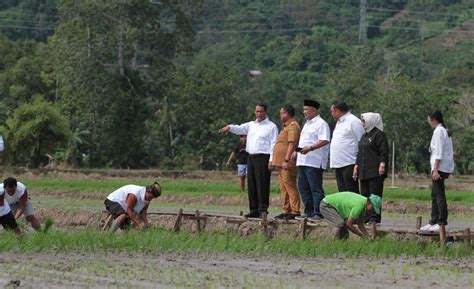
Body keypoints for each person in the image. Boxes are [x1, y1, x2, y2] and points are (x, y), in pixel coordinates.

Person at [219, 102, 278, 218]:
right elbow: (239, 128)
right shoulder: (251, 125)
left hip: (263, 157)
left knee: (262, 184)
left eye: (261, 111)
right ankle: (254, 209)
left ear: (265, 112)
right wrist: (229, 127)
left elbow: (274, 144)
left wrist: (272, 160)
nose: (259, 114)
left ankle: (262, 209)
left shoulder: (271, 126)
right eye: (257, 111)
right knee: (252, 184)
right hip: (251, 157)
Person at [294, 99, 330, 221]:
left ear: (314, 110)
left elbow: (324, 140)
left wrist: (311, 148)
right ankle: (308, 211)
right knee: (303, 187)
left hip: (314, 161)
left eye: (306, 109)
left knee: (315, 188)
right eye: (304, 109)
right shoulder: (307, 124)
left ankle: (319, 212)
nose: (304, 112)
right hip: (303, 160)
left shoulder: (321, 123)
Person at [420, 110, 454, 232]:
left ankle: (442, 222)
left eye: (428, 119)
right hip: (441, 167)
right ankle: (434, 221)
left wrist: (435, 170)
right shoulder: (442, 130)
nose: (428, 121)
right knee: (434, 194)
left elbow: (438, 152)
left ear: (433, 119)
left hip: (439, 168)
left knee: (439, 195)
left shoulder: (439, 131)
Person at [352, 113, 389, 225]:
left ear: (371, 121)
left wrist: (382, 164)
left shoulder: (379, 135)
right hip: (364, 171)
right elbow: (360, 153)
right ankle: (366, 217)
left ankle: (375, 218)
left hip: (375, 171)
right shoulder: (364, 136)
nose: (362, 123)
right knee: (365, 195)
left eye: (364, 121)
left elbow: (384, 151)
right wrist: (356, 166)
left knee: (375, 196)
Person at [272, 104, 301, 220]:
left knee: (290, 185)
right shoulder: (286, 126)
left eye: (281, 113)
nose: (280, 115)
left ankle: (295, 210)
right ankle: (286, 209)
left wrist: (286, 159)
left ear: (287, 114)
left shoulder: (293, 126)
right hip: (281, 163)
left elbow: (292, 144)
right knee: (284, 186)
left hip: (286, 162)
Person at [329, 101, 365, 193]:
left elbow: (361, 141)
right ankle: (345, 208)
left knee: (351, 190)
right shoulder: (339, 123)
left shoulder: (353, 121)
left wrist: (358, 162)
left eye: (332, 111)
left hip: (349, 162)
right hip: (338, 163)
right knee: (342, 192)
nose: (331, 114)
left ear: (337, 111)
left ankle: (355, 208)